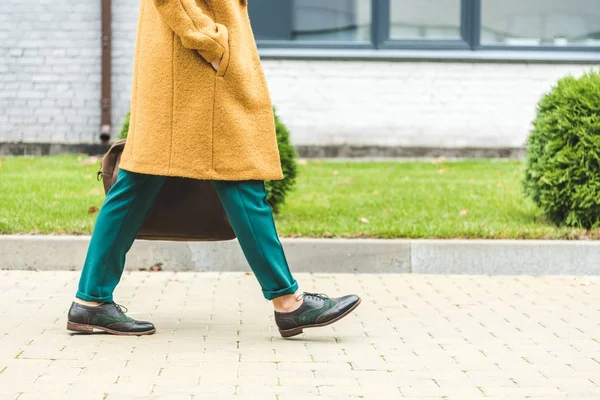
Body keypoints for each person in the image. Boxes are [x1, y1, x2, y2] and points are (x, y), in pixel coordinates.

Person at [66, 0, 360, 338]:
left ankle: (90, 301)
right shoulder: (206, 49)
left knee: (139, 181)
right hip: (196, 71)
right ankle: (289, 302)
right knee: (239, 177)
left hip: (185, 72)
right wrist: (211, 41)